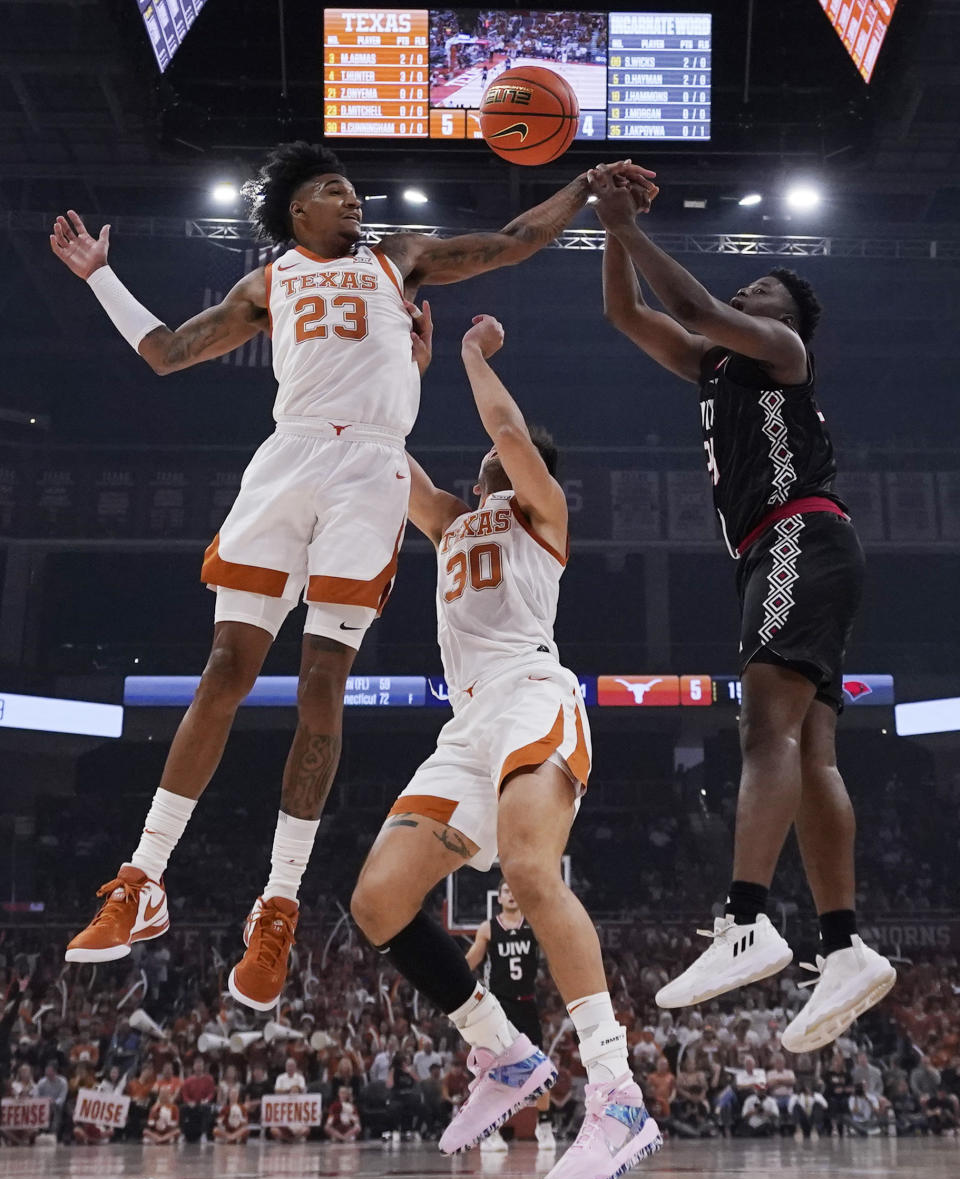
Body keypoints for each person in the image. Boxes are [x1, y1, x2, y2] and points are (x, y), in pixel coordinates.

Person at [53, 140, 656, 1013]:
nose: (354, 199)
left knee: (322, 686)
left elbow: (517, 238)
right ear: (300, 211)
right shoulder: (267, 282)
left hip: (373, 471)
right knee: (226, 668)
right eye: (337, 190)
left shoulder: (397, 256)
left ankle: (280, 902)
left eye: (353, 188)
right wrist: (100, 276)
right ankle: (142, 878)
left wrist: (584, 186)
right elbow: (165, 351)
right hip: (288, 458)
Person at [351, 311, 662, 1179]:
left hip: (533, 694)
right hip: (467, 725)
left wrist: (469, 354)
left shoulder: (542, 513)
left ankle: (616, 1090)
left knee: (530, 870)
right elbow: (384, 457)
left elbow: (507, 429)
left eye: (504, 456)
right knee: (377, 901)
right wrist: (392, 365)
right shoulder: (452, 521)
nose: (486, 457)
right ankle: (505, 1051)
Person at [590, 162, 895, 1053]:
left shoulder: (782, 353)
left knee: (765, 732)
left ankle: (747, 919)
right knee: (808, 747)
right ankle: (843, 947)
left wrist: (629, 223)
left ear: (787, 321)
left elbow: (692, 308)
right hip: (797, 548)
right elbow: (627, 314)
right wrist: (614, 231)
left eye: (763, 288)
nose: (745, 289)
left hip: (797, 534)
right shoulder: (713, 365)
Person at [466, 878, 555, 1151]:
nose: (512, 894)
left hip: (527, 1004)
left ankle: (546, 1126)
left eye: (516, 890)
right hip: (499, 1007)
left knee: (540, 1067)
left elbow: (556, 952)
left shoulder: (535, 925)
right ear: (499, 897)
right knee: (494, 1070)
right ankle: (489, 1131)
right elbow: (470, 962)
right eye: (506, 890)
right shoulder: (488, 928)